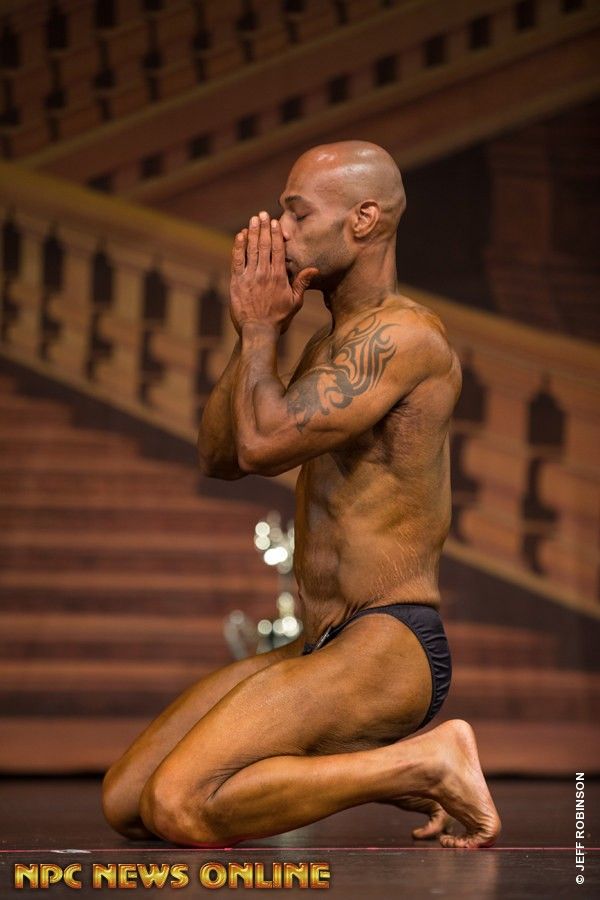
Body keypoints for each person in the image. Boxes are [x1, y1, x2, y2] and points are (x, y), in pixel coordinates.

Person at [102, 140, 501, 849]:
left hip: (388, 643)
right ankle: (398, 772)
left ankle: (431, 758)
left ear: (363, 220)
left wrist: (261, 331)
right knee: (126, 799)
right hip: (323, 643)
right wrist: (256, 336)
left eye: (297, 214)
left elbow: (262, 444)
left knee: (179, 805)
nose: (279, 231)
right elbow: (221, 457)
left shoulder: (405, 337)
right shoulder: (329, 345)